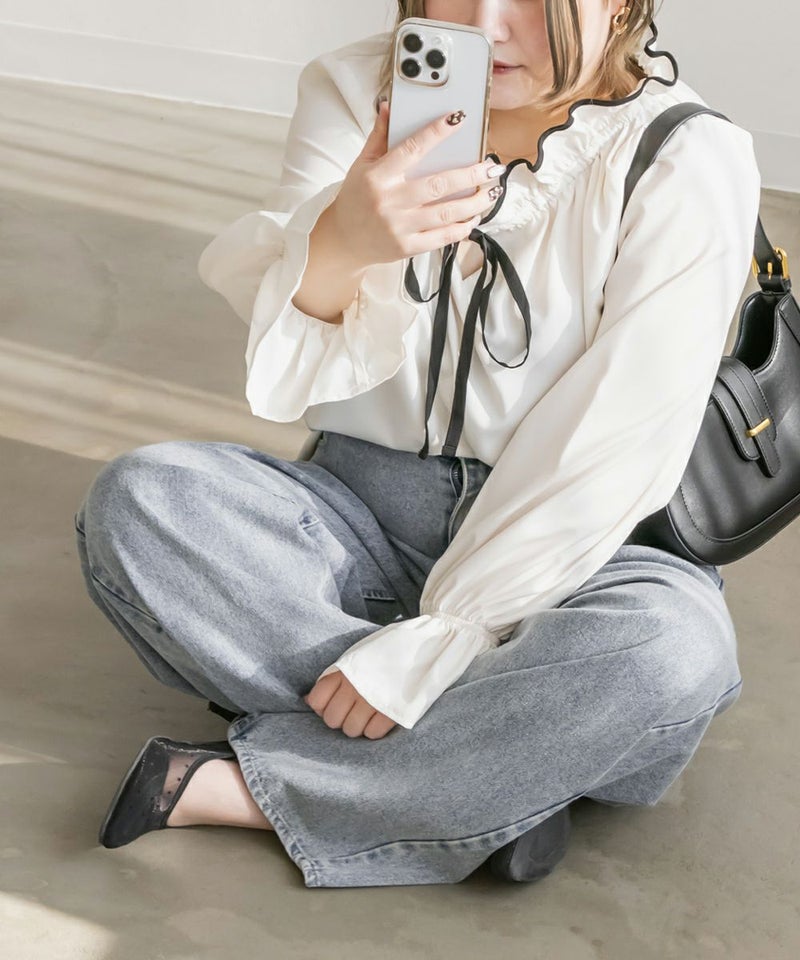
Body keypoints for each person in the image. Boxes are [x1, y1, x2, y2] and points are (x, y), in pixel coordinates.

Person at [74, 0, 761, 889]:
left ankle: (262, 788)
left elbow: (617, 444)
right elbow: (297, 370)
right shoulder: (355, 92)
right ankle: (494, 777)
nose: (487, 25)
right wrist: (342, 243)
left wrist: (454, 630)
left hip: (581, 551)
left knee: (670, 651)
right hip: (357, 515)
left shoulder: (687, 157)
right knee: (142, 503)